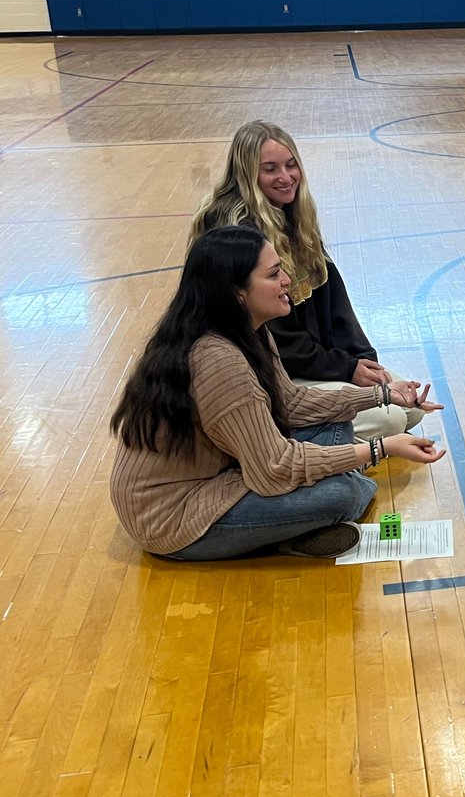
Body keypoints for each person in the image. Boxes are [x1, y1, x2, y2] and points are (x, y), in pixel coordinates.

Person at [109, 226, 444, 561]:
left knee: (337, 424)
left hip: (228, 472)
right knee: (343, 494)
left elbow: (293, 404)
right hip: (175, 516)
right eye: (273, 274)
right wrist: (378, 449)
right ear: (236, 292)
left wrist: (382, 395)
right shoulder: (216, 360)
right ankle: (291, 530)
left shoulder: (247, 330)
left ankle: (297, 525)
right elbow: (273, 469)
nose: (287, 280)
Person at [190, 120, 417, 442]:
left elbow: (333, 299)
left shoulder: (293, 214)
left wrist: (360, 359)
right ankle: (287, 439)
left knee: (411, 407)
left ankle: (327, 431)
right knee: (389, 419)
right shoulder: (236, 232)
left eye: (291, 165)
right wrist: (344, 369)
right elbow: (272, 336)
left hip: (315, 365)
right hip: (272, 375)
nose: (285, 178)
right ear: (247, 175)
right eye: (270, 169)